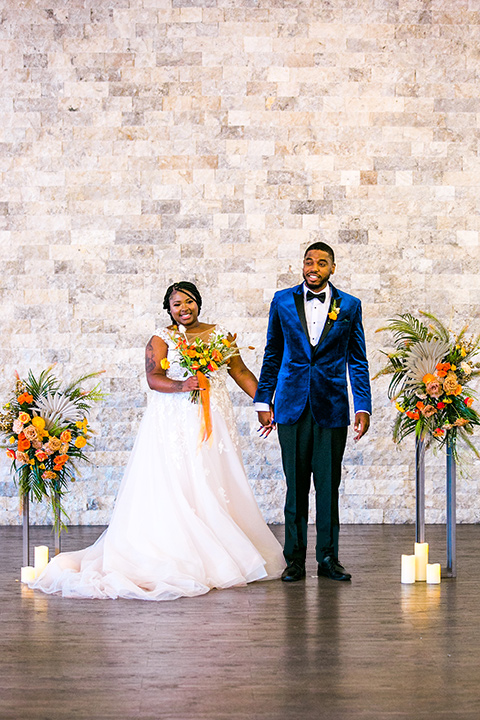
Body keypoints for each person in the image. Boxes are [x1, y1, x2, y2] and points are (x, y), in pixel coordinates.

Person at [31, 281, 284, 600]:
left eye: (189, 302)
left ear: (199, 303)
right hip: (175, 424)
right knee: (179, 482)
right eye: (177, 304)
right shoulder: (160, 339)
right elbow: (154, 378)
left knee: (216, 479)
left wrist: (265, 405)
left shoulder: (220, 336)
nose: (184, 308)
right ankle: (184, 553)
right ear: (169, 308)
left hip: (215, 424)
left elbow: (241, 372)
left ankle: (226, 545)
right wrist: (183, 384)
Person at [255, 242, 372, 582]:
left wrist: (362, 404)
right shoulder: (281, 301)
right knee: (295, 487)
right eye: (309, 261)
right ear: (302, 264)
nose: (314, 267)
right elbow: (273, 352)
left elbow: (358, 359)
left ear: (332, 268)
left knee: (328, 486)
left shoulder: (350, 305)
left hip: (333, 407)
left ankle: (328, 558)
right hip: (290, 406)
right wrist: (265, 400)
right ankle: (293, 560)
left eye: (322, 262)